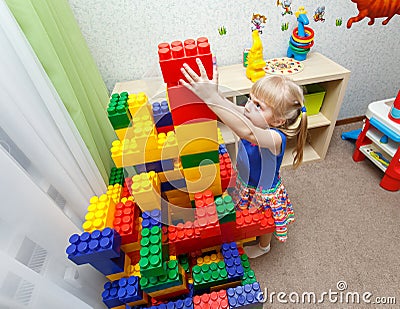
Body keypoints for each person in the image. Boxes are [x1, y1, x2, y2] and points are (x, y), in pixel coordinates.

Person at [180, 58, 307, 258]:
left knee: (265, 220)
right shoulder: (251, 114)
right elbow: (230, 110)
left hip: (264, 190)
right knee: (248, 212)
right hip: (246, 181)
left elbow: (249, 133)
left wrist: (212, 98)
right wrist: (213, 94)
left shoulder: (275, 138)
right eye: (250, 98)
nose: (248, 106)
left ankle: (264, 245)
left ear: (278, 120)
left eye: (258, 105)